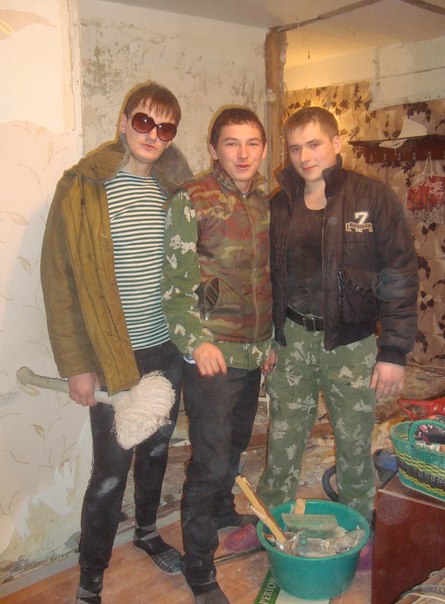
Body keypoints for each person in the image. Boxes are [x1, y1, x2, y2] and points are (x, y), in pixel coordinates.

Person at [41, 81, 192, 604]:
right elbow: (59, 281)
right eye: (144, 121)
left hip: (166, 348)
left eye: (165, 128)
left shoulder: (176, 191)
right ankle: (91, 574)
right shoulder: (83, 187)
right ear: (123, 122)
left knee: (156, 450)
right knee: (110, 472)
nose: (153, 134)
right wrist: (77, 364)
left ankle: (147, 532)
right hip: (112, 354)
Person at [256, 106, 419, 532]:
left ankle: (357, 528)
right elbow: (269, 277)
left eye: (314, 144)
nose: (305, 156)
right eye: (296, 148)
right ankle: (270, 522)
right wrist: (270, 337)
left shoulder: (372, 198)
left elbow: (400, 275)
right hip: (293, 339)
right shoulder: (279, 204)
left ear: (336, 143)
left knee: (353, 443)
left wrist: (393, 352)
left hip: (351, 344)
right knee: (283, 441)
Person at [162, 107, 272, 604]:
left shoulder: (266, 204)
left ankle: (224, 510)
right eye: (232, 143)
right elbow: (175, 285)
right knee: (207, 463)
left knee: (236, 444)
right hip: (212, 353)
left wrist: (268, 342)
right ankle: (199, 564)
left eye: (252, 143)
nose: (243, 154)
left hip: (253, 351)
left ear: (263, 149)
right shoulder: (191, 199)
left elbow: (267, 278)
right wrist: (196, 342)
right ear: (213, 149)